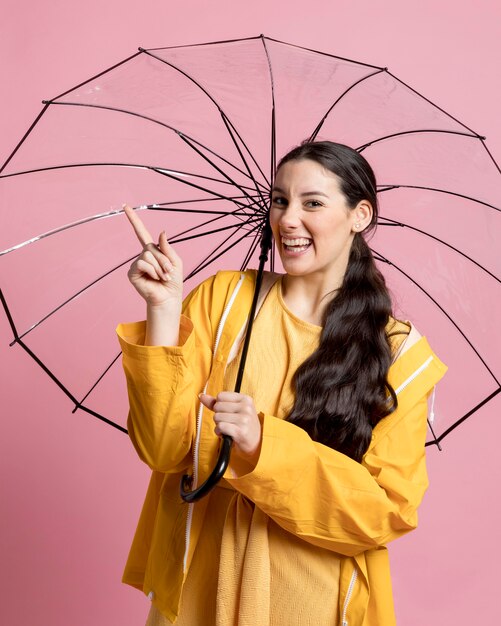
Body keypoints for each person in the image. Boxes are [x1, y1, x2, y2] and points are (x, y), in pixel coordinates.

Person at [117, 141, 447, 626]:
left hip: (312, 598)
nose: (288, 219)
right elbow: (164, 448)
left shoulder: (399, 353)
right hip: (197, 588)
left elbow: (385, 512)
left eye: (312, 203)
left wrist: (260, 443)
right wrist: (164, 309)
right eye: (279, 200)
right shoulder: (224, 299)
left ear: (359, 215)